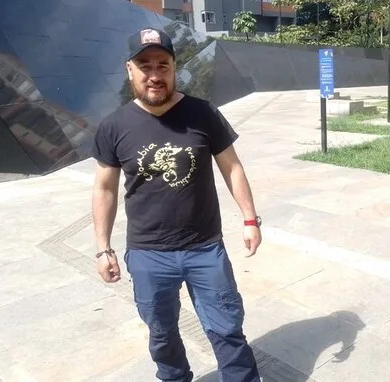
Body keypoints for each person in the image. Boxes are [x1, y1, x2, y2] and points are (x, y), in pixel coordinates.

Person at [91, 27, 262, 382]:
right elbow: (104, 189)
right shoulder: (114, 126)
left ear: (174, 68)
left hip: (205, 248)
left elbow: (232, 167)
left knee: (227, 328)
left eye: (162, 65)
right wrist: (102, 248)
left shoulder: (202, 113)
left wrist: (250, 219)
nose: (154, 75)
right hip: (148, 253)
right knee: (161, 333)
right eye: (145, 66)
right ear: (130, 70)